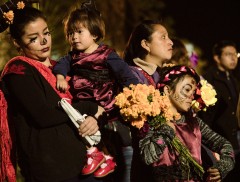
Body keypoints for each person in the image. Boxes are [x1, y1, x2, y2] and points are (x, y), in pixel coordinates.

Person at [0, 2, 105, 182]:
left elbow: (95, 104)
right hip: (52, 170)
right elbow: (44, 115)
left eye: (46, 33)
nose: (43, 41)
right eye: (33, 38)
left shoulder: (61, 69)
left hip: (87, 164)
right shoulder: (18, 71)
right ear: (17, 42)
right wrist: (89, 107)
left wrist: (94, 119)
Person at [52, 0, 138, 180]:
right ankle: (99, 155)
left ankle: (105, 157)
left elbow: (126, 75)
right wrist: (60, 76)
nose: (74, 37)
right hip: (83, 103)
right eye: (70, 33)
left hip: (104, 102)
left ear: (94, 33)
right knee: (76, 123)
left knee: (107, 133)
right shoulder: (72, 57)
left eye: (79, 32)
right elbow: (61, 64)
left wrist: (133, 94)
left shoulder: (107, 55)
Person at [139, 64, 235, 181]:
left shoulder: (193, 123)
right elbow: (147, 157)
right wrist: (166, 130)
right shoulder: (152, 121)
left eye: (194, 91)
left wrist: (222, 167)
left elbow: (225, 145)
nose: (192, 95)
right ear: (167, 90)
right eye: (187, 89)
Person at [122, 19, 173, 182]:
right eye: (163, 37)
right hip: (145, 159)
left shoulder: (161, 75)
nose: (170, 42)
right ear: (145, 44)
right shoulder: (131, 75)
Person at [199, 40, 240, 181]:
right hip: (217, 143)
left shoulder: (232, 79)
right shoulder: (208, 80)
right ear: (217, 58)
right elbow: (205, 116)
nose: (233, 58)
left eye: (235, 54)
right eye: (228, 54)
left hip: (233, 140)